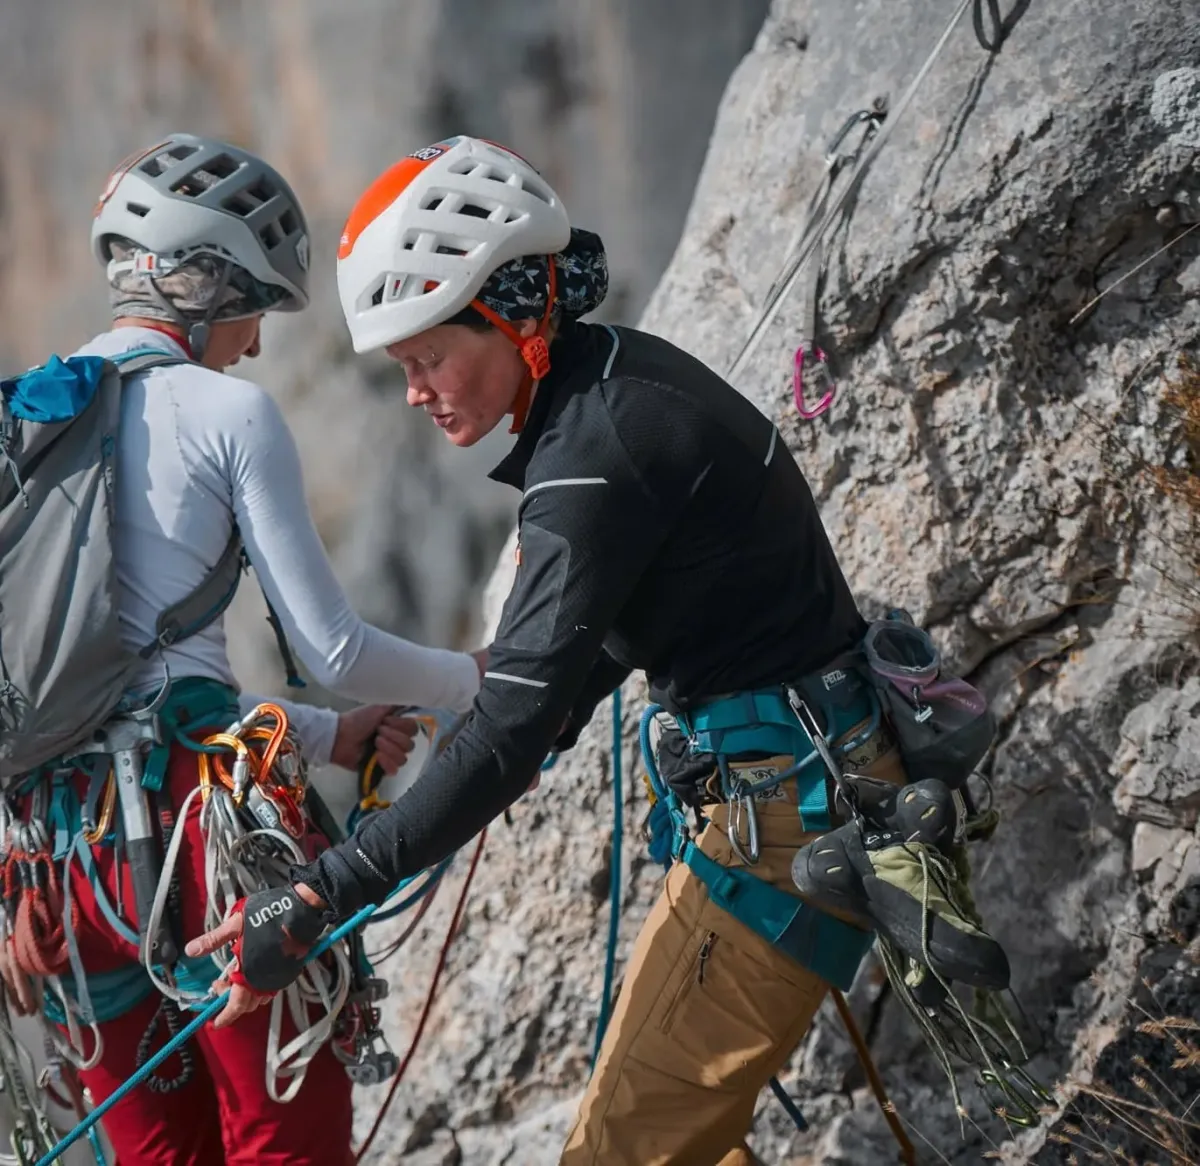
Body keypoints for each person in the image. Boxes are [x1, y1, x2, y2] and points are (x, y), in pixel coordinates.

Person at [185, 135, 979, 1166]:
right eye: (401, 368)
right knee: (664, 1133)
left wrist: (314, 898)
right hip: (791, 801)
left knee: (617, 1149)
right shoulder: (613, 393)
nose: (417, 390)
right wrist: (524, 712)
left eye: (429, 354)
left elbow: (514, 724)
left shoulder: (593, 456)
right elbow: (582, 662)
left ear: (512, 314)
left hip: (788, 821)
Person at [0, 133, 484, 1166]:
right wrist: (482, 682)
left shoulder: (30, 419)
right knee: (282, 1143)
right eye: (255, 303)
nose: (258, 341)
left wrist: (328, 738)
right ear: (209, 281)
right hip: (207, 844)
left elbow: (96, 675)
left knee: (156, 1156)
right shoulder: (226, 411)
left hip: (63, 861)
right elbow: (335, 645)